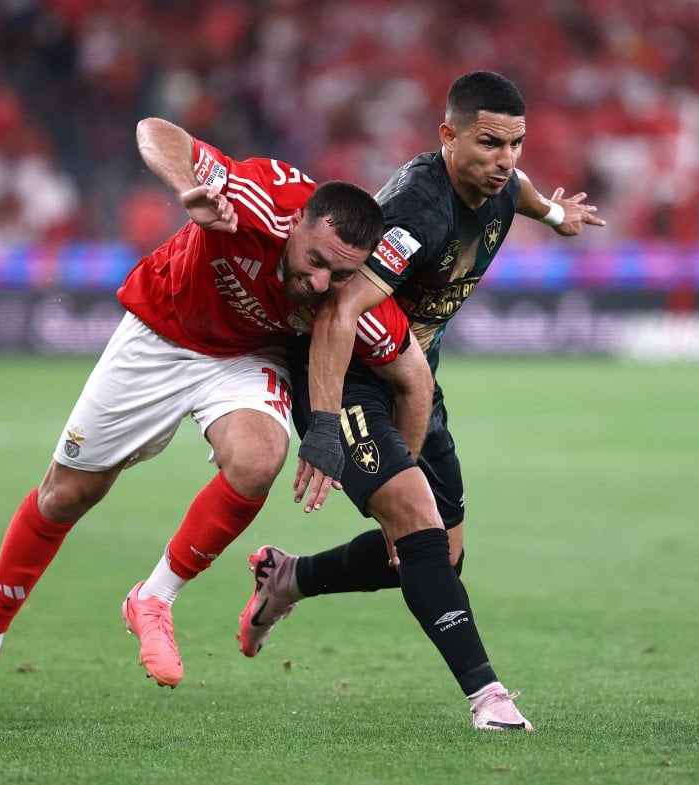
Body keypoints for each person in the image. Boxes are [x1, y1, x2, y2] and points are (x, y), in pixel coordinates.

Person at [0, 117, 432, 720]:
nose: (321, 282)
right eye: (316, 261)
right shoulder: (257, 197)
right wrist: (186, 189)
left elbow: (414, 381)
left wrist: (391, 504)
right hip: (162, 330)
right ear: (297, 222)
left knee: (257, 460)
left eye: (341, 273)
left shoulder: (349, 297)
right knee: (66, 496)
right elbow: (153, 130)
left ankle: (153, 598)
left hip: (247, 358)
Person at [237, 71, 605, 732]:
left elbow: (517, 189)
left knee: (439, 557)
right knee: (416, 525)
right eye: (489, 142)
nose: (506, 159)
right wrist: (322, 423)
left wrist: (555, 214)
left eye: (516, 143)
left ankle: (288, 577)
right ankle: (488, 695)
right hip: (347, 374)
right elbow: (341, 307)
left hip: (414, 383)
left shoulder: (498, 184)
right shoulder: (417, 209)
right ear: (448, 135)